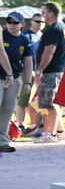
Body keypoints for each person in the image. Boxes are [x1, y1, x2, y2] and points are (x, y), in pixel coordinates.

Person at [32, 2, 65, 143]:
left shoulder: (53, 30)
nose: (42, 16)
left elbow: (49, 51)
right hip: (58, 70)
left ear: (50, 14)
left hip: (50, 71)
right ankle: (61, 132)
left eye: (43, 13)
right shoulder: (63, 27)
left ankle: (51, 134)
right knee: (51, 102)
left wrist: (40, 70)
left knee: (50, 103)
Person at [0, 12, 29, 152]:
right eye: (9, 21)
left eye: (15, 22)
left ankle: (3, 141)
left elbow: (28, 62)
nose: (12, 24)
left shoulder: (23, 40)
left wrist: (28, 82)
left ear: (22, 25)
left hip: (15, 78)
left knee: (7, 110)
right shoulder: (2, 34)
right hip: (1, 77)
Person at [15, 13, 43, 132]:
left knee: (36, 100)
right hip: (27, 71)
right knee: (23, 99)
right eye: (37, 21)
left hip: (40, 72)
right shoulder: (24, 36)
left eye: (42, 22)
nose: (40, 24)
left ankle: (36, 124)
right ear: (31, 21)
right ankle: (20, 124)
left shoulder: (44, 35)